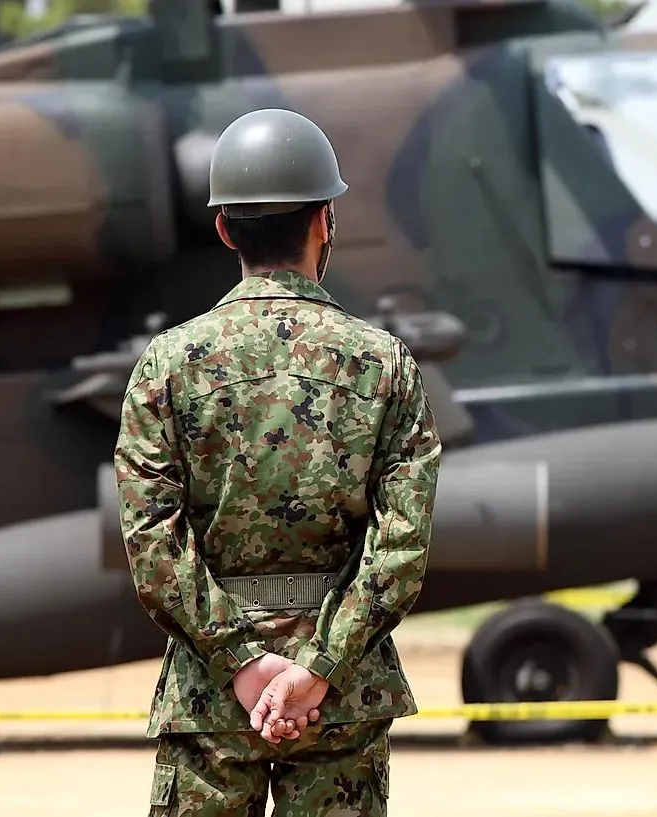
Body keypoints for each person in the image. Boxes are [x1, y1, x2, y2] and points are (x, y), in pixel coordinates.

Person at [114, 108, 441, 816]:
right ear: (326, 219)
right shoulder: (384, 364)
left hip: (210, 701)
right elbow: (402, 546)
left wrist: (241, 663)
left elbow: (152, 544)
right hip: (342, 701)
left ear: (225, 227)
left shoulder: (168, 365)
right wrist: (317, 668)